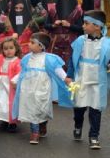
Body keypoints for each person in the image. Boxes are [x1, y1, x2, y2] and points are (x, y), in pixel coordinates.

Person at [63, 9, 110, 149]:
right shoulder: (80, 41)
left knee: (96, 109)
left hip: (97, 81)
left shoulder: (107, 43)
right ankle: (78, 125)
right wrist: (69, 75)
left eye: (86, 23)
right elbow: (72, 59)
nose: (83, 26)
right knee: (79, 107)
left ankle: (94, 136)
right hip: (81, 79)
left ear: (97, 26)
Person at [13, 32, 69, 145]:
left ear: (41, 46)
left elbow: (58, 70)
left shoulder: (49, 58)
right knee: (31, 110)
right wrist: (15, 80)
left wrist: (66, 78)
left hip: (42, 88)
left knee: (41, 109)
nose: (29, 44)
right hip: (28, 88)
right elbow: (23, 71)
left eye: (32, 42)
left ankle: (42, 124)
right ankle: (34, 133)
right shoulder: (27, 58)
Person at [0, 37, 22, 132]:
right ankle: (4, 120)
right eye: (6, 48)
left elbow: (20, 73)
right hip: (1, 85)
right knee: (1, 102)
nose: (8, 51)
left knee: (10, 103)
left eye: (11, 48)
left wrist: (15, 81)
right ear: (2, 50)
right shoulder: (0, 59)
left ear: (16, 48)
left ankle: (12, 122)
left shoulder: (17, 61)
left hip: (11, 85)